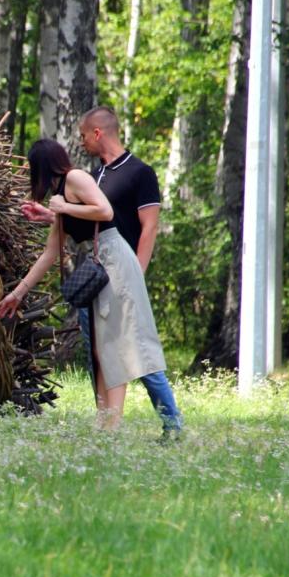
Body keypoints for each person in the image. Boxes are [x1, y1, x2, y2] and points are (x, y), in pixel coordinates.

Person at [21, 108, 183, 437]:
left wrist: (136, 272)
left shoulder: (140, 173)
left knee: (135, 351)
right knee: (100, 351)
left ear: (97, 133)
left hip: (123, 270)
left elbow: (149, 227)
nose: (79, 141)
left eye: (82, 135)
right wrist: (50, 217)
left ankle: (171, 423)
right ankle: (106, 423)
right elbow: (88, 221)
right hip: (98, 273)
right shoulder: (94, 176)